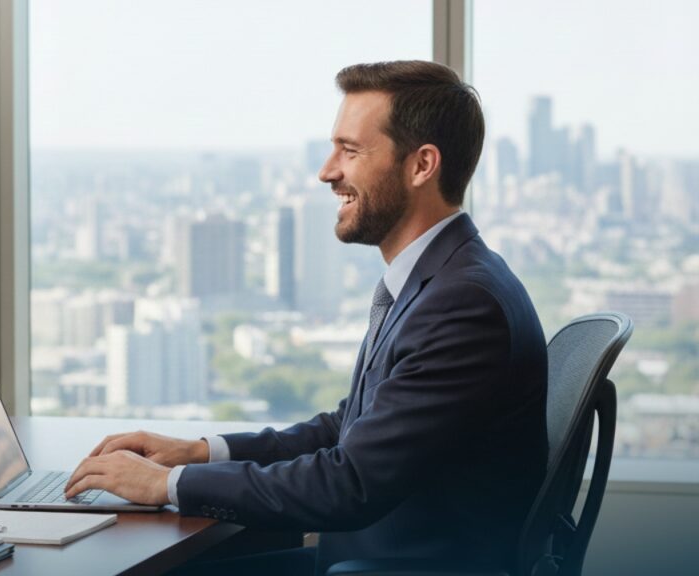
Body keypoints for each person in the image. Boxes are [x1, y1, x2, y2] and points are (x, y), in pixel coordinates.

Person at [64, 60, 548, 575]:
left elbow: (349, 483)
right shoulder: (439, 279)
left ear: (421, 165)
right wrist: (199, 453)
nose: (327, 171)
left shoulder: (462, 304)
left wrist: (165, 484)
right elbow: (347, 428)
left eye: (350, 151)